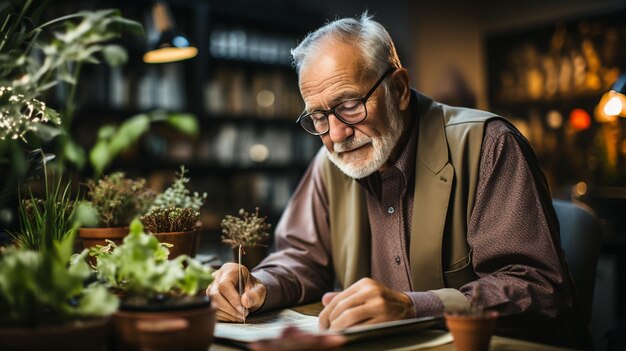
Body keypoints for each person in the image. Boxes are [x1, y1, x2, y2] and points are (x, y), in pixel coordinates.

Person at [207, 13, 591, 349]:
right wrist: (260, 285)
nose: (336, 134)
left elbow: (539, 289)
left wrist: (413, 307)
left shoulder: (488, 144)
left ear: (400, 88)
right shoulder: (330, 162)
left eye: (349, 105)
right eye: (319, 116)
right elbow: (302, 260)